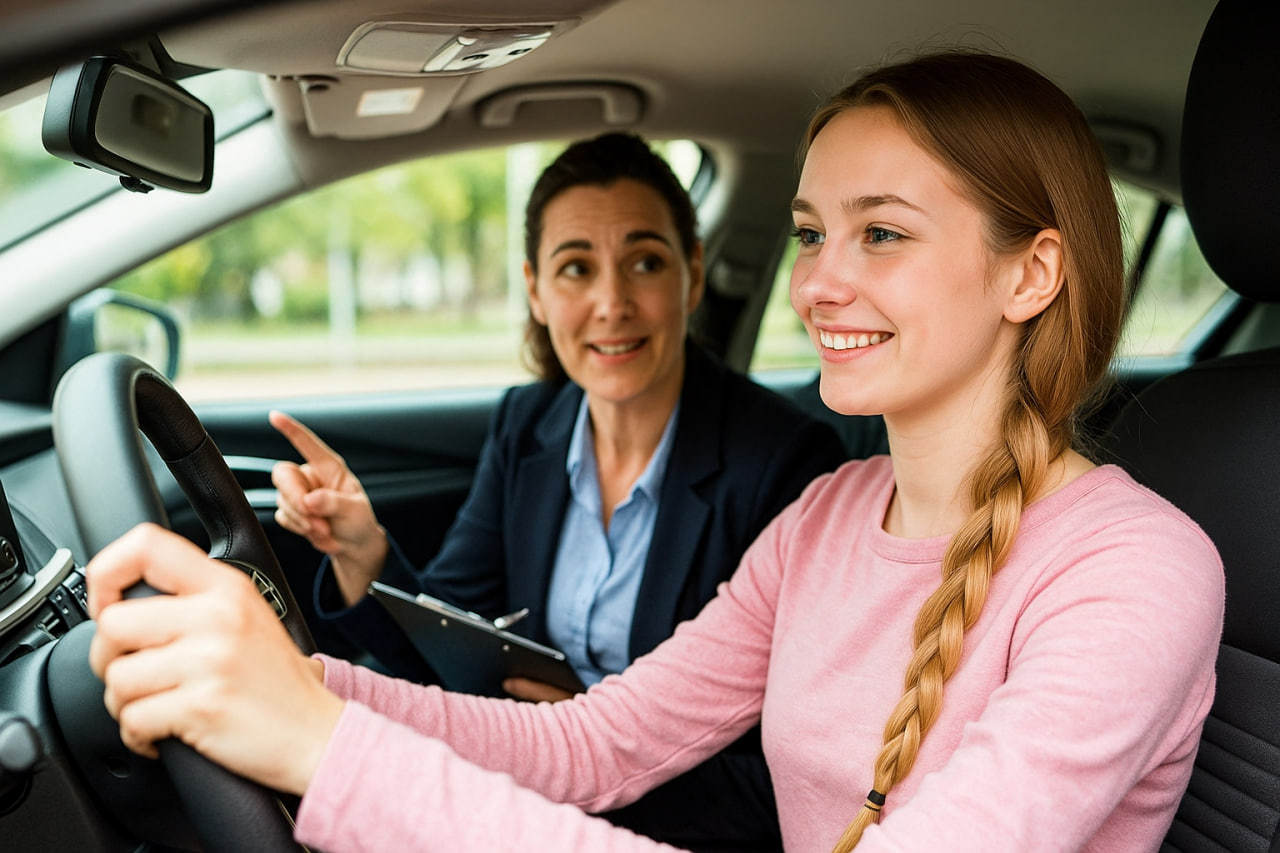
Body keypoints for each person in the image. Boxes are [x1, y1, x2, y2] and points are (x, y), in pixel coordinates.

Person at [87, 51, 1224, 852]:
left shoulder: (1132, 570)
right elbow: (599, 742)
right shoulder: (828, 515)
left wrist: (323, 749)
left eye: (880, 232)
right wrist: (302, 683)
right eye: (810, 234)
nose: (820, 281)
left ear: (1030, 272)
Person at [267, 131, 848, 850]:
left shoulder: (785, 464)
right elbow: (449, 641)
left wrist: (598, 739)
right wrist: (365, 554)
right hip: (505, 788)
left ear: (691, 276)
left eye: (645, 261)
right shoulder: (527, 425)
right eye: (576, 268)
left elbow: (782, 778)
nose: (611, 302)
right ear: (536, 291)